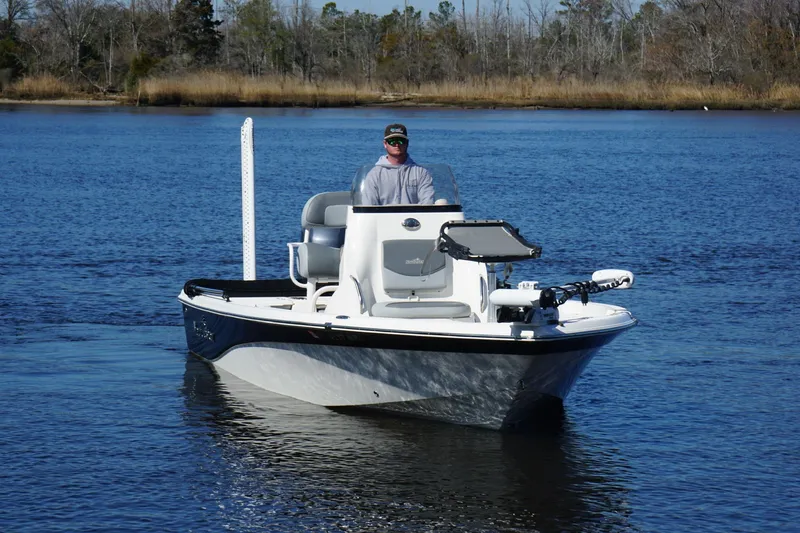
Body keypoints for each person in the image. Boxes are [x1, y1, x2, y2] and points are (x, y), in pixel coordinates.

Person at [361, 124, 435, 206]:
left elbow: (427, 202)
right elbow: (369, 205)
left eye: (401, 141)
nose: (397, 145)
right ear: (385, 144)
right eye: (392, 141)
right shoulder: (374, 175)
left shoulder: (421, 173)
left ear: (407, 143)